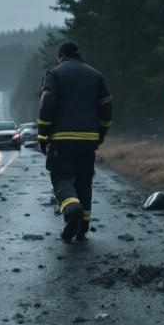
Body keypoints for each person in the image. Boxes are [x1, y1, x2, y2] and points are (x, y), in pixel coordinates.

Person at [37, 40, 113, 242]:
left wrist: (42, 134)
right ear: (79, 54)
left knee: (61, 178)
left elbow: (48, 103)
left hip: (62, 139)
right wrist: (101, 132)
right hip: (88, 140)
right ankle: (83, 227)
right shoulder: (95, 75)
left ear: (60, 56)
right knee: (84, 181)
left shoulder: (54, 74)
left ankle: (72, 209)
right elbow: (107, 107)